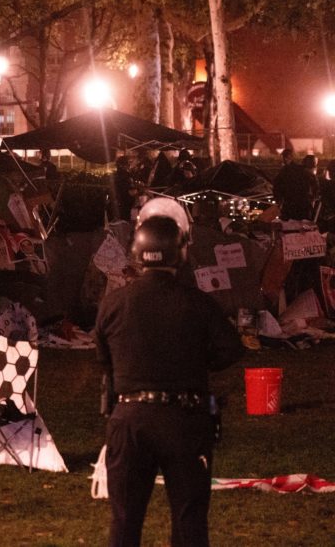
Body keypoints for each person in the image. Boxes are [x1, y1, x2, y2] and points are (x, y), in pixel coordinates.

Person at [94, 198, 243, 547]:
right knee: (189, 519)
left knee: (125, 521)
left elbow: (104, 358)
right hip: (184, 419)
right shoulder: (198, 303)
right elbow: (231, 350)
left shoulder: (114, 303)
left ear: (136, 252)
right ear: (181, 253)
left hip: (129, 418)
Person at [272, 149, 317, 220]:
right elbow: (314, 184)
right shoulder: (302, 170)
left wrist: (279, 200)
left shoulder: (283, 172)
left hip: (289, 206)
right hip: (304, 206)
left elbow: (277, 187)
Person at [111, 155, 139, 222]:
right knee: (125, 221)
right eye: (128, 162)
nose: (129, 164)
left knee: (121, 221)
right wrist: (138, 191)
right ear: (123, 165)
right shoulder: (125, 175)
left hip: (120, 202)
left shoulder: (118, 174)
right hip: (125, 203)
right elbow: (129, 191)